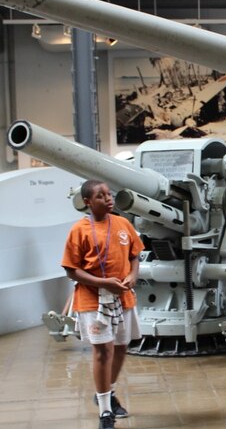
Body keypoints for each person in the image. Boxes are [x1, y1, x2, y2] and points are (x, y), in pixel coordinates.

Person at [61, 180, 144, 429]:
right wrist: (103, 283)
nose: (108, 198)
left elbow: (134, 255)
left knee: (120, 347)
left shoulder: (123, 223)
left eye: (109, 194)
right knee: (102, 351)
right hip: (92, 299)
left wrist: (132, 276)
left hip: (123, 297)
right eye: (100, 195)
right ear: (87, 202)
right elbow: (71, 270)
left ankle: (107, 392)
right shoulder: (79, 230)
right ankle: (106, 412)